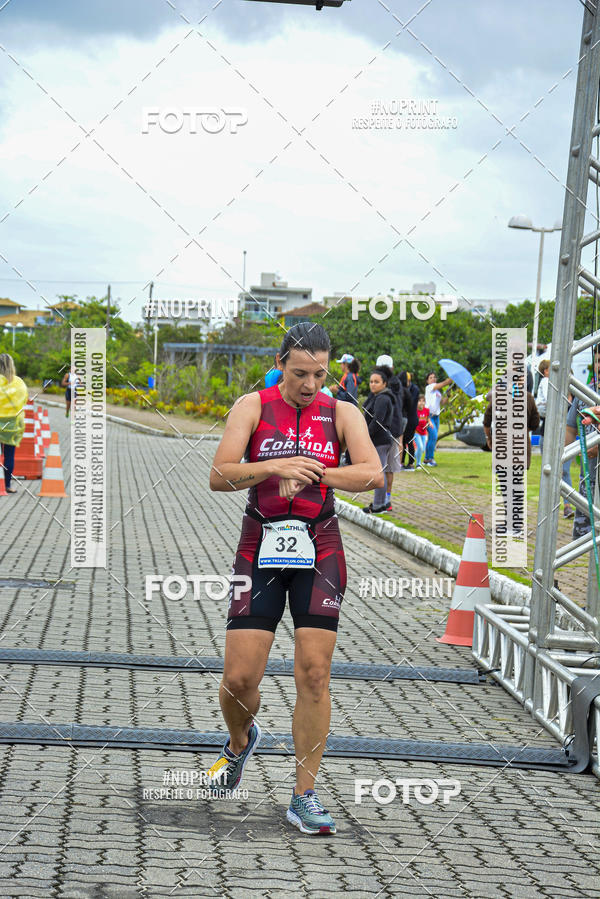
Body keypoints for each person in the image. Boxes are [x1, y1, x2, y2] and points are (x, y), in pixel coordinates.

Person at [207, 321, 382, 835]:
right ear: (281, 363)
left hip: (320, 544)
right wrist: (272, 466)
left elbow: (373, 474)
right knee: (240, 679)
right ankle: (240, 743)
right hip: (260, 544)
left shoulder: (342, 412)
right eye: (301, 373)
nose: (311, 384)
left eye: (320, 374)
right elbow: (219, 474)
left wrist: (315, 472)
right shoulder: (253, 406)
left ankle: (304, 795)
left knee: (313, 673)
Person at [361, 367, 395, 514]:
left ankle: (379, 504)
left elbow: (377, 421)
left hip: (380, 440)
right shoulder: (376, 396)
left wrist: (365, 436)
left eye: (376, 382)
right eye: (371, 382)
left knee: (379, 473)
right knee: (378, 471)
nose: (372, 384)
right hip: (378, 440)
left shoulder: (383, 398)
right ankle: (378, 503)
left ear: (384, 384)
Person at [375, 357, 406, 510]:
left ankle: (384, 500)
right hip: (393, 428)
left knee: (385, 466)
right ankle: (385, 498)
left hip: (389, 430)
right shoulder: (395, 383)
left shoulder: (390, 384)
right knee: (388, 467)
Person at [0, 353, 28, 494]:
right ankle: (7, 485)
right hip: (11, 425)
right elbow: (24, 401)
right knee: (9, 456)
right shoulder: (19, 383)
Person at [424, 371, 452, 466]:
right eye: (431, 377)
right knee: (434, 436)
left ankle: (427, 459)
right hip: (429, 416)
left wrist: (448, 395)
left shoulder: (437, 392)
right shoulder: (429, 388)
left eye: (434, 377)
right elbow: (443, 384)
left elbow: (443, 403)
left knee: (432, 438)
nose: (433, 379)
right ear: (427, 381)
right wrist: (448, 381)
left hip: (436, 416)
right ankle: (430, 458)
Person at [400, 371, 419, 470]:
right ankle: (402, 462)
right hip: (407, 417)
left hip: (412, 418)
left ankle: (411, 463)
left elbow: (410, 403)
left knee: (409, 441)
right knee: (403, 441)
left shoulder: (414, 389)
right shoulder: (406, 389)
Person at [534, 359, 550, 452]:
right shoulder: (546, 381)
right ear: (546, 371)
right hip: (543, 407)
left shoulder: (545, 381)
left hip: (542, 408)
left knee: (545, 427)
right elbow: (548, 396)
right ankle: (544, 449)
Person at [413, 394, 430, 469]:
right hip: (416, 432)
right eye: (419, 401)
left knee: (422, 449)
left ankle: (412, 457)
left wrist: (429, 423)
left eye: (423, 401)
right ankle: (418, 464)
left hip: (424, 433)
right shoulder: (414, 411)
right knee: (420, 447)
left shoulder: (426, 410)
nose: (421, 403)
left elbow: (427, 419)